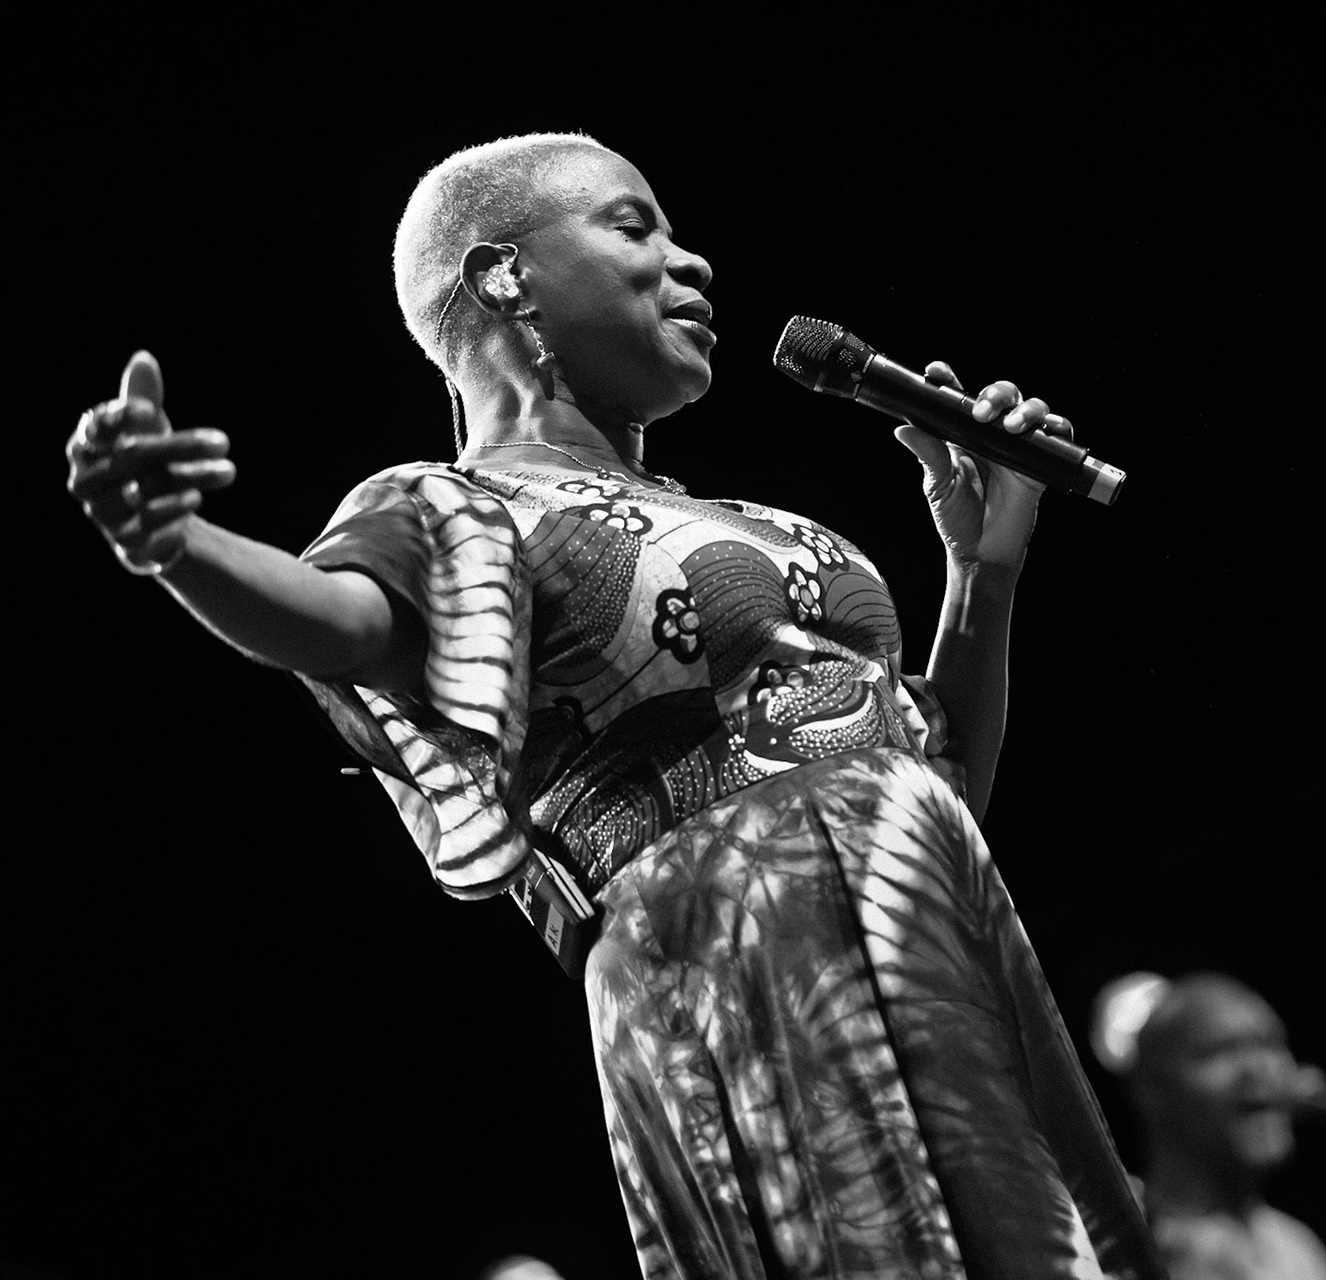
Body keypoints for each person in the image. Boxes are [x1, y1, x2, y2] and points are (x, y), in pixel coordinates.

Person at [65, 132, 1162, 1280]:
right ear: (504, 276)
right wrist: (178, 544)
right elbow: (336, 619)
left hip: (946, 945)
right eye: (635, 226)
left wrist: (983, 571)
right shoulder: (455, 505)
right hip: (742, 964)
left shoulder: (753, 520)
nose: (693, 263)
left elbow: (935, 791)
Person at [1100, 973, 1326, 1280]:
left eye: (1271, 1044)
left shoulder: (1299, 1247)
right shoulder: (1116, 1250)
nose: (1260, 1068)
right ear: (1150, 1088)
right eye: (1222, 1049)